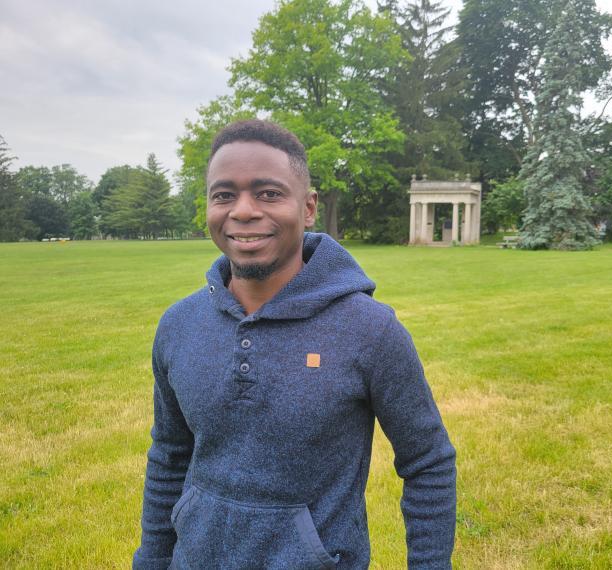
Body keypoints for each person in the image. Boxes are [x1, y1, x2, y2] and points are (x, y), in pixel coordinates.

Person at [133, 119, 457, 570]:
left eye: (268, 193)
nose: (243, 210)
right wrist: (151, 561)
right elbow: (169, 457)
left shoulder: (369, 330)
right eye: (224, 194)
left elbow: (428, 462)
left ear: (308, 209)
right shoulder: (179, 325)